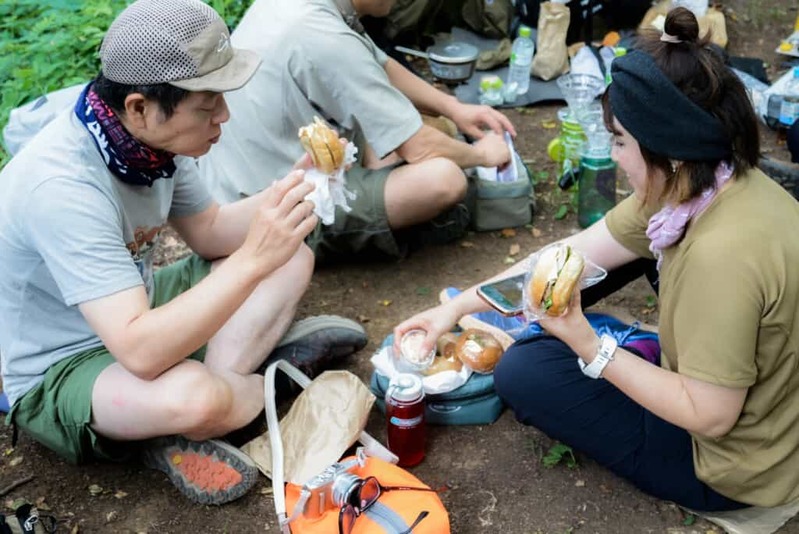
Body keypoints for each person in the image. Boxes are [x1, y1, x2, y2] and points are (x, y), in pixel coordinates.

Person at [395, 8, 799, 512]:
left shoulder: (719, 260)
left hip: (733, 469)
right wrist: (455, 310)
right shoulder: (709, 179)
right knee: (590, 266)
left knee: (524, 372)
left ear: (668, 148)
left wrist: (588, 343)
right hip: (777, 407)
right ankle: (644, 350)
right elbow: (572, 256)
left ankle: (629, 351)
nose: (613, 156)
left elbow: (711, 416)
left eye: (621, 141)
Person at [0, 0, 368, 506]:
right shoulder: (62, 187)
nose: (224, 115)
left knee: (292, 257)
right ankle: (244, 384)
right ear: (138, 106)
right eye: (207, 104)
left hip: (135, 311)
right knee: (194, 395)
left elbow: (212, 231)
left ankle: (220, 397)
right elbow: (141, 351)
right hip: (62, 367)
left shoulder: (151, 146)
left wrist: (300, 185)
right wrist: (254, 258)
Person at [198, 0, 517, 263]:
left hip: (241, 181)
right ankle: (333, 238)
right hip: (268, 209)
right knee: (443, 178)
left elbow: (378, 65)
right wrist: (483, 155)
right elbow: (419, 147)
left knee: (419, 129)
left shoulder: (310, 9)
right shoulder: (321, 35)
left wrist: (454, 108)